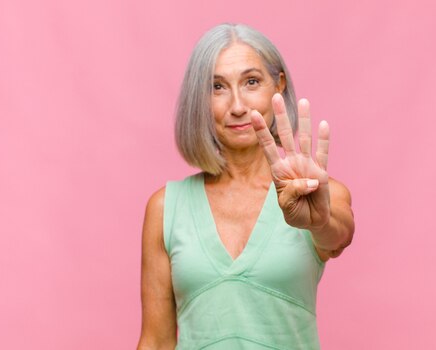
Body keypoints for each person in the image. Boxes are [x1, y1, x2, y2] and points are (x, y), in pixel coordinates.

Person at [137, 23, 355, 350]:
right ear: (200, 99)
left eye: (251, 82)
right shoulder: (166, 207)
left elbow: (338, 235)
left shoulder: (315, 193)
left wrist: (320, 221)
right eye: (217, 87)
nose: (238, 105)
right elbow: (156, 341)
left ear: (278, 86)